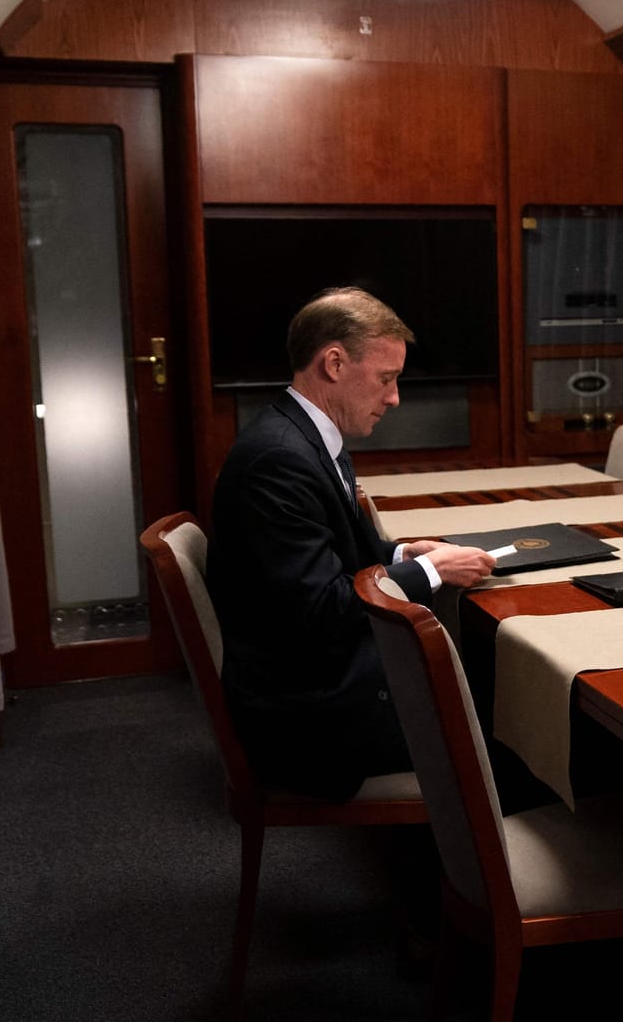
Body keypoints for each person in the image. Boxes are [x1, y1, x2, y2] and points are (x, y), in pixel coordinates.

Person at [208, 287, 495, 801]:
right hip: (309, 718)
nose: (394, 397)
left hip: (315, 676)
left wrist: (404, 555)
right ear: (334, 363)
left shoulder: (306, 435)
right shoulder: (280, 459)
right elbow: (323, 607)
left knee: (488, 673)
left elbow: (334, 558)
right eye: (386, 379)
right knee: (507, 714)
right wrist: (433, 574)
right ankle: (492, 867)